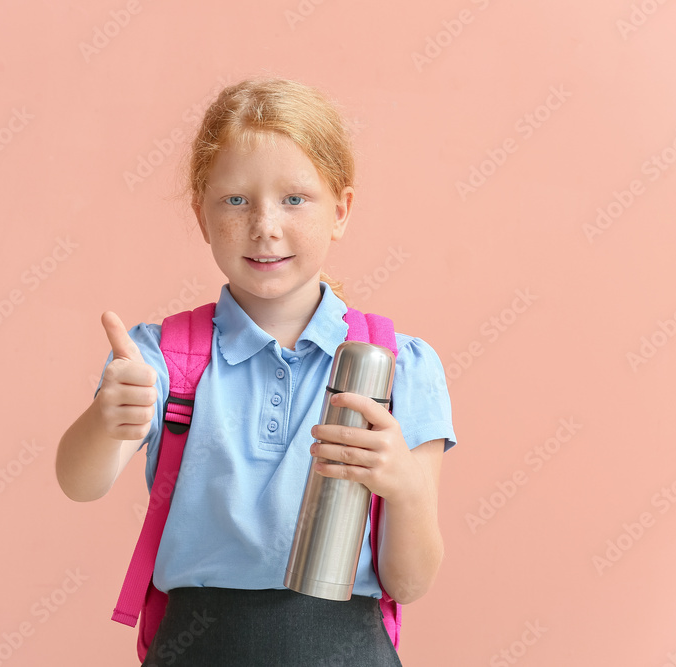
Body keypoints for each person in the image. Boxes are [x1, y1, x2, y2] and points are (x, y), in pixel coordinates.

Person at [55, 77, 457, 666]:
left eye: (295, 199)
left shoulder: (402, 367)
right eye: (236, 200)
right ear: (202, 215)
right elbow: (78, 481)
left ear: (340, 210)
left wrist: (402, 485)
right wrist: (108, 422)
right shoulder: (158, 361)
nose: (265, 225)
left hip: (344, 649)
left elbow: (412, 582)